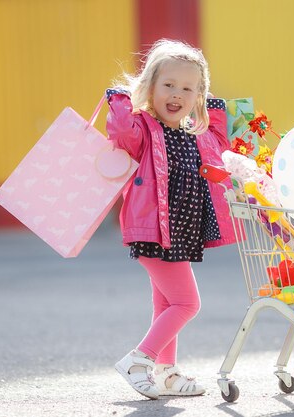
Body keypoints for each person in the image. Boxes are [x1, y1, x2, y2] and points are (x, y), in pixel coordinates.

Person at [105, 39, 237, 400]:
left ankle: (166, 371)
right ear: (150, 87)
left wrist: (215, 107)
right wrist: (120, 100)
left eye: (187, 88)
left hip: (180, 232)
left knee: (166, 304)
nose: (177, 94)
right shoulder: (144, 128)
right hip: (151, 231)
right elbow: (120, 133)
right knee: (187, 304)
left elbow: (220, 143)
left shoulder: (194, 133)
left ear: (198, 95)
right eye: (168, 85)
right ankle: (139, 361)